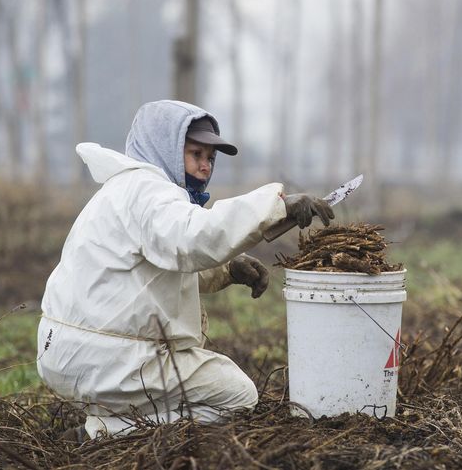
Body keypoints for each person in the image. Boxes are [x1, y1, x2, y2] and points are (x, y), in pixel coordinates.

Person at [36, 100, 334, 439]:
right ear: (164, 148)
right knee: (237, 396)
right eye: (195, 154)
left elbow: (164, 259)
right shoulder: (149, 193)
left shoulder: (126, 190)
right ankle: (105, 432)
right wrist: (278, 206)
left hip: (77, 350)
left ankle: (105, 424)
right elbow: (193, 238)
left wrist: (228, 271)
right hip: (108, 358)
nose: (205, 166)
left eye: (210, 158)